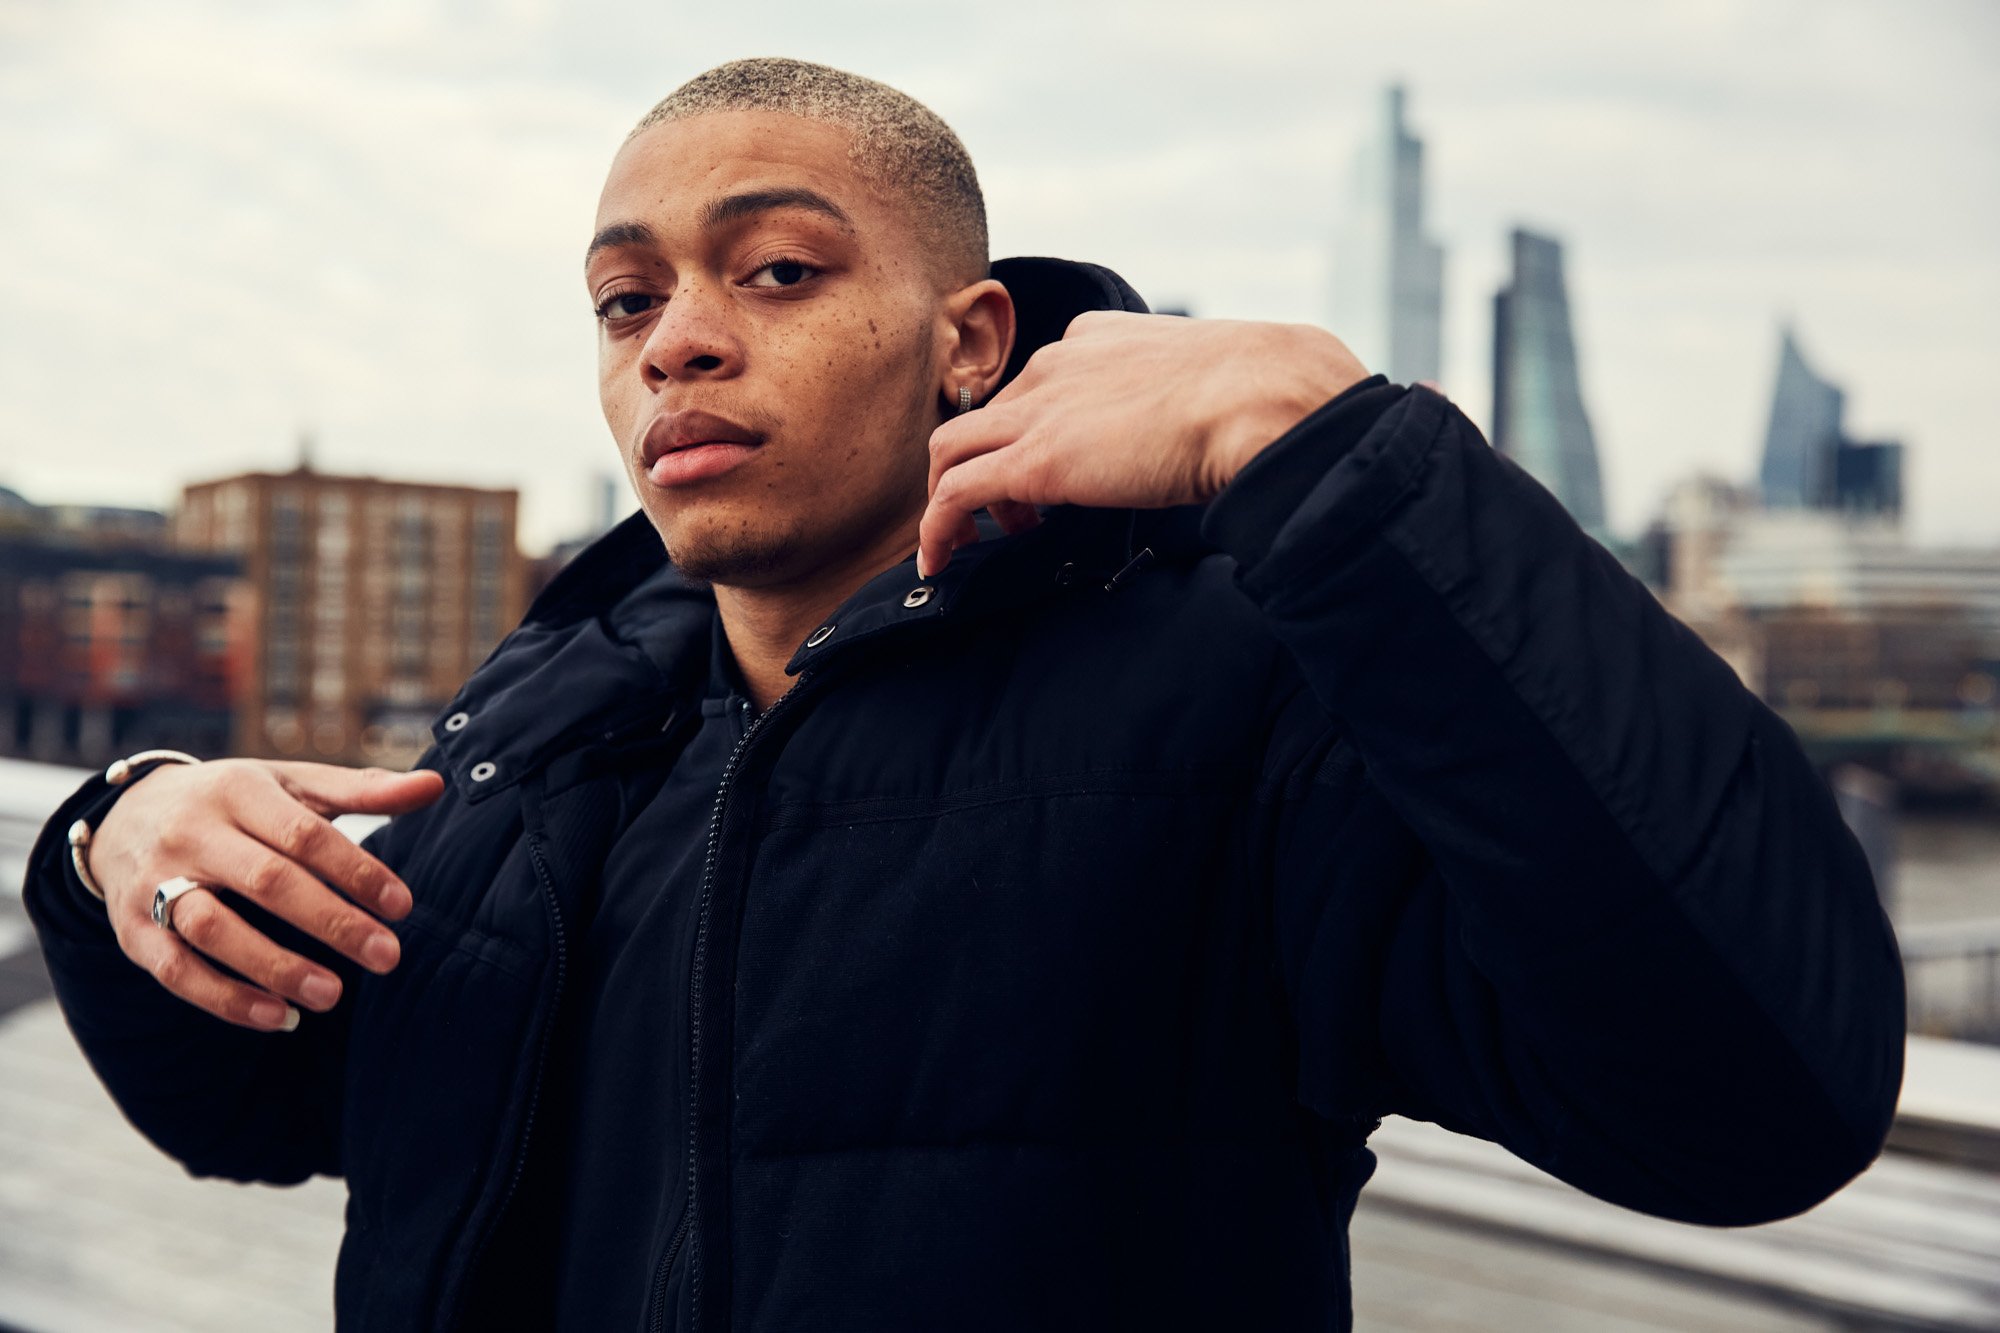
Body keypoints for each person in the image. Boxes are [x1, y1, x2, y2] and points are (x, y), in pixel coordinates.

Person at [24, 57, 1905, 1333]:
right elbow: (263, 1110)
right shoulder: (543, 733)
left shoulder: (1239, 709)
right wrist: (122, 838)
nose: (676, 335)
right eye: (623, 300)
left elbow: (1756, 1095)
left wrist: (1332, 450)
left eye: (772, 269)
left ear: (972, 343)